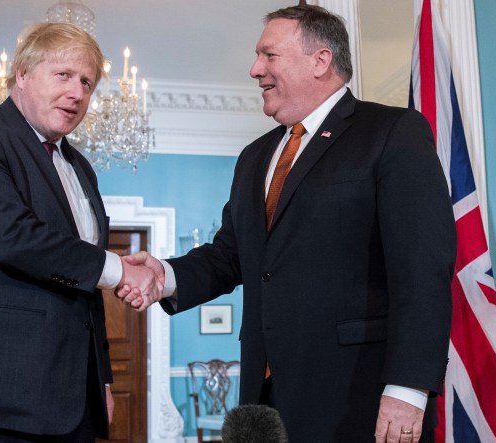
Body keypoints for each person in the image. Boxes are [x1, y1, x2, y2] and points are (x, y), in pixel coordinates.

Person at [118, 5, 456, 442]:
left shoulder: (392, 132)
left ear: (320, 60)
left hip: (360, 396)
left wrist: (408, 387)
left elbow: (422, 268)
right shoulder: (255, 157)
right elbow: (230, 255)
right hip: (266, 402)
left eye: (268, 55)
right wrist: (165, 275)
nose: (255, 69)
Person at [0, 22, 161, 442]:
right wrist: (121, 270)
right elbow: (13, 237)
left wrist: (99, 382)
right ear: (21, 75)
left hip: (68, 405)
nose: (78, 93)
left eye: (87, 82)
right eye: (63, 75)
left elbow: (85, 290)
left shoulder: (80, 169)